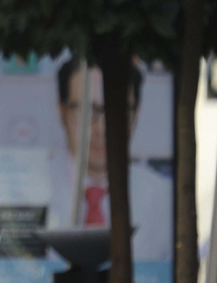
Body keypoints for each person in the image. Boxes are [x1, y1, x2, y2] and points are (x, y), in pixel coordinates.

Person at [48, 60, 170, 262]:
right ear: (62, 112)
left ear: (136, 114)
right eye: (87, 111)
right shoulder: (33, 188)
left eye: (117, 110)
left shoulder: (162, 198)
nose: (101, 129)